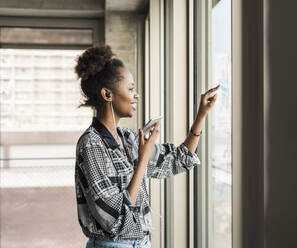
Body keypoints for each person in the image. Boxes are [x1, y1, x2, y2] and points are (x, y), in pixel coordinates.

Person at [74, 42, 220, 248]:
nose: (136, 95)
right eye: (131, 89)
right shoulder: (91, 144)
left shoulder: (126, 138)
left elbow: (175, 161)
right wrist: (142, 159)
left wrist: (201, 116)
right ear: (108, 95)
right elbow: (115, 220)